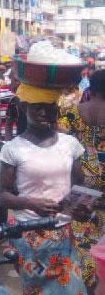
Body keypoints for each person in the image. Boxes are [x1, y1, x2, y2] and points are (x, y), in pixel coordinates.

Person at [0, 83, 90, 294]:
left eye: (49, 106)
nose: (43, 112)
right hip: (30, 235)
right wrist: (31, 203)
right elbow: (2, 196)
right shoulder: (13, 149)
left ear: (56, 109)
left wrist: (81, 208)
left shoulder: (70, 144)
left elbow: (79, 185)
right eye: (37, 106)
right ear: (24, 108)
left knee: (72, 289)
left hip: (64, 234)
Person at [58, 69, 105, 290]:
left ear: (90, 88)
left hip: (81, 183)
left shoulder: (72, 112)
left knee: (82, 239)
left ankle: (84, 283)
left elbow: (60, 142)